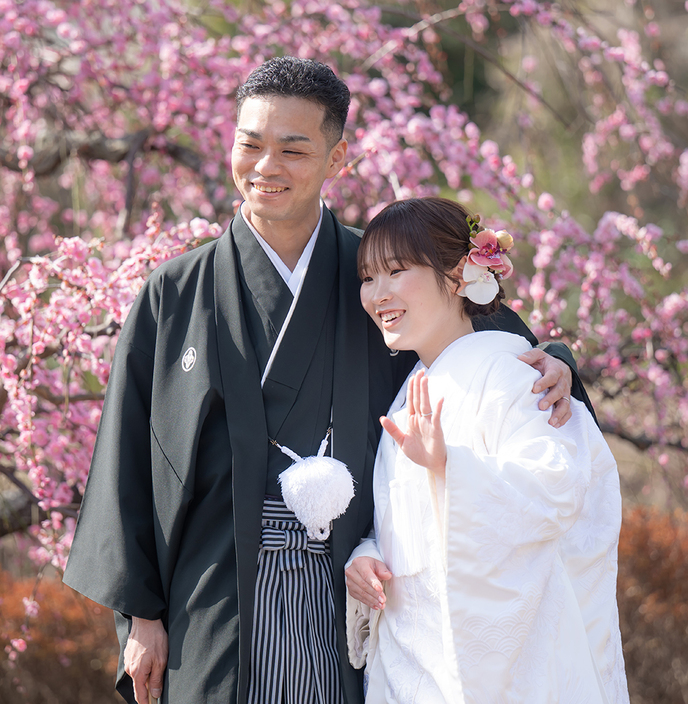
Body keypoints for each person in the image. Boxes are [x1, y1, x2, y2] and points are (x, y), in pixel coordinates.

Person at [63, 57, 584, 704]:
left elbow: (478, 330)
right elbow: (127, 461)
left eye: (293, 149)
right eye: (250, 144)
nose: (266, 166)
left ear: (336, 159)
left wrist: (552, 359)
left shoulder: (379, 277)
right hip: (214, 595)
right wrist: (142, 616)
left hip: (353, 587)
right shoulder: (175, 293)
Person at [345, 197, 629, 703]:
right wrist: (370, 556)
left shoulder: (514, 375)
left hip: (507, 669)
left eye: (397, 270)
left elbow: (557, 489)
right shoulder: (411, 390)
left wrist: (452, 466)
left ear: (459, 276)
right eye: (369, 277)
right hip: (419, 663)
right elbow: (406, 524)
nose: (378, 293)